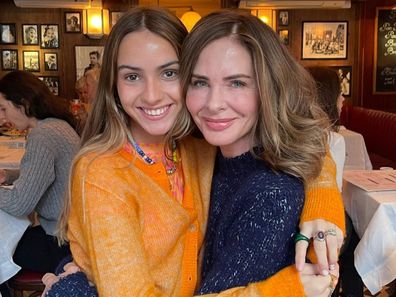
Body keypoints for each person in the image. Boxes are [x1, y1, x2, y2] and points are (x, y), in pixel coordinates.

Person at [43, 7, 344, 297]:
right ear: (114, 85)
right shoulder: (113, 168)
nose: (151, 94)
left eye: (169, 73)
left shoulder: (204, 148)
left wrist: (323, 198)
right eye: (132, 76)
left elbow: (304, 144)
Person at [180, 10, 343, 295]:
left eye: (237, 83)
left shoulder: (270, 194)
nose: (213, 103)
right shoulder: (202, 153)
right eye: (200, 82)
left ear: (269, 88)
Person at [0, 70, 80, 296]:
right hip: (71, 235)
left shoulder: (43, 135)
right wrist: (9, 176)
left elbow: (19, 205)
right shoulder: (56, 125)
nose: (3, 117)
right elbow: (46, 171)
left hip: (60, 243)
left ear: (23, 103)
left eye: (4, 108)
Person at [308, 67, 364, 297]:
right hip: (319, 227)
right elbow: (334, 193)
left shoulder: (290, 134)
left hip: (298, 224)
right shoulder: (334, 139)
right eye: (339, 93)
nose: (343, 99)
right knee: (359, 235)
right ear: (327, 97)